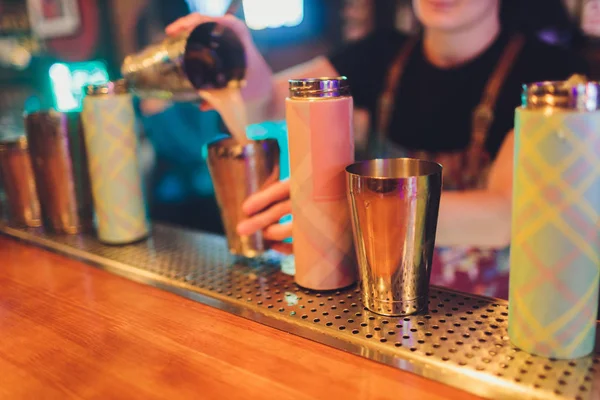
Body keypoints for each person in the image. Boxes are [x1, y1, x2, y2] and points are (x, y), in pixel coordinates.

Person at [166, 0, 587, 298]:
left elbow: (502, 216)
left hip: (478, 311)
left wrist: (340, 212)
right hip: (376, 289)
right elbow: (270, 101)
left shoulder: (546, 74)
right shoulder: (382, 54)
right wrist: (239, 52)